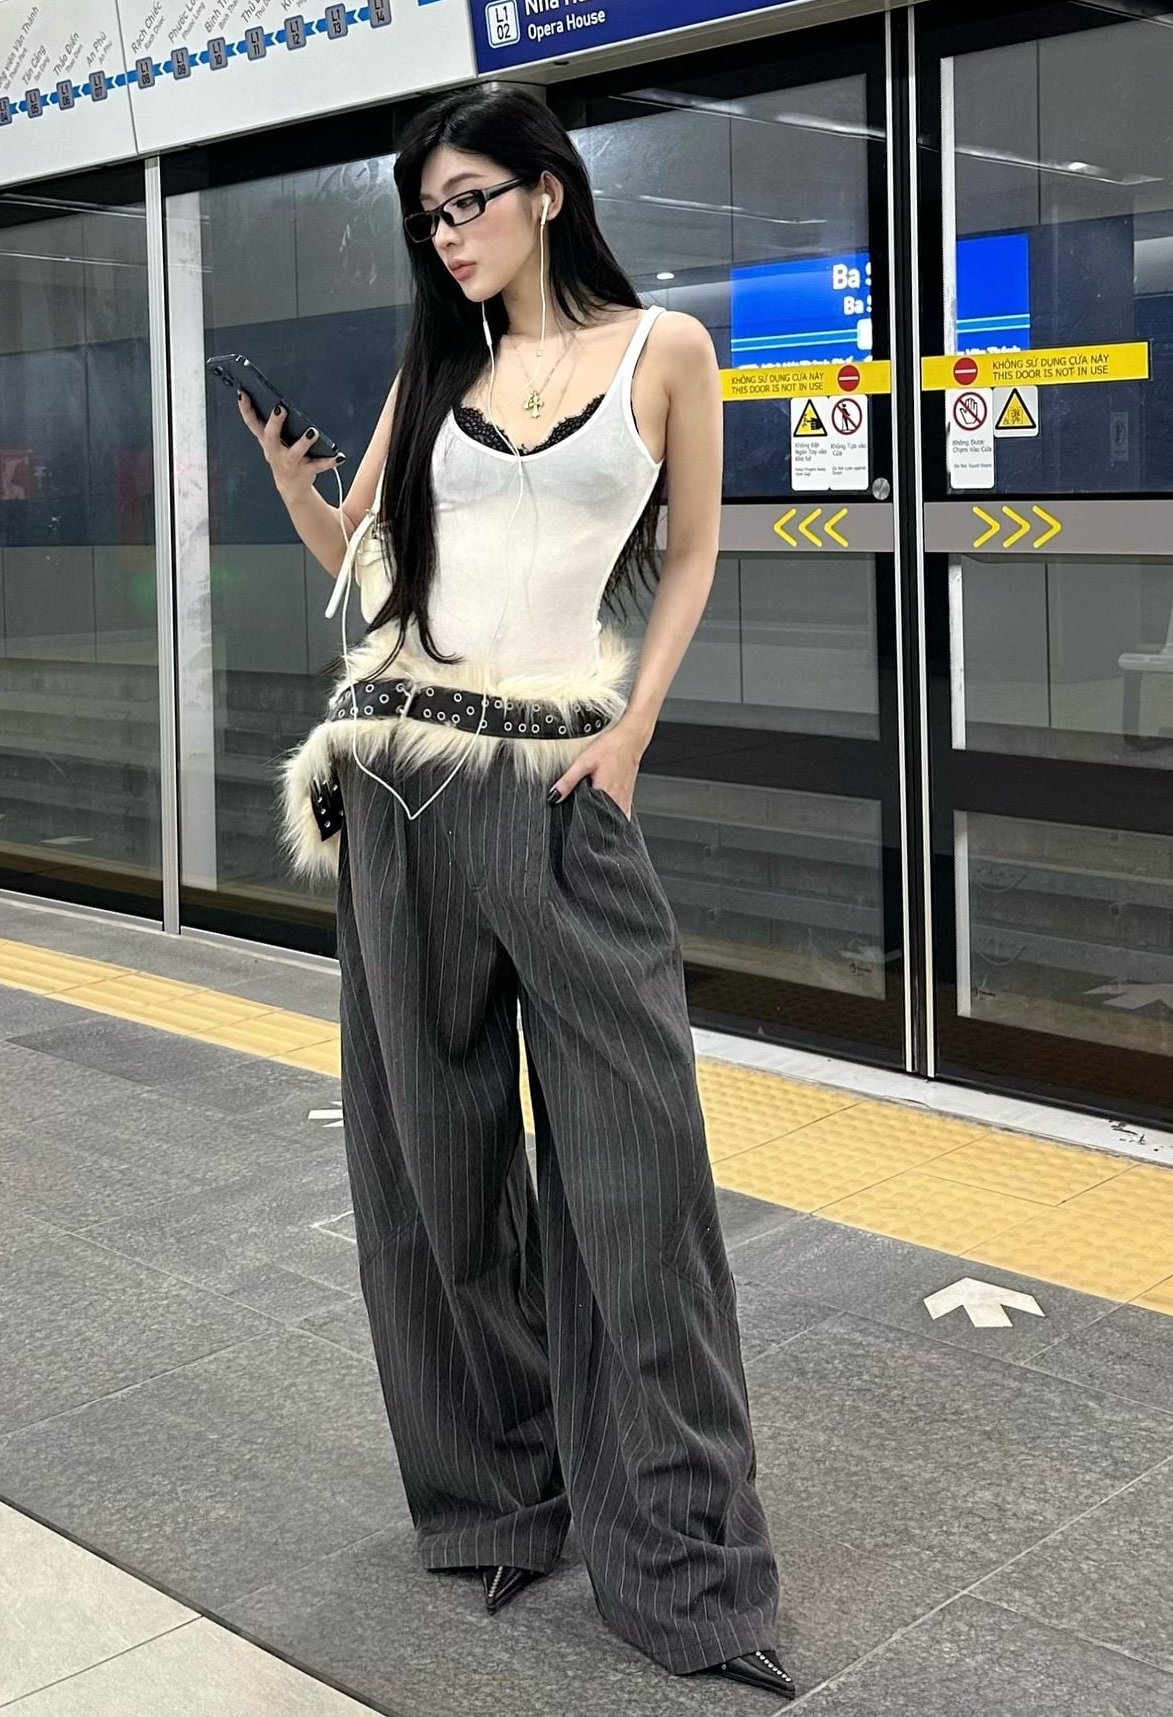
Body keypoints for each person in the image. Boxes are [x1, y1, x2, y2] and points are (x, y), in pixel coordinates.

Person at [239, 85, 790, 1700]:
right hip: (404, 780)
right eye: (429, 216)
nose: (448, 234)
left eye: (469, 200)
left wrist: (634, 730)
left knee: (637, 1176)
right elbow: (361, 555)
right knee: (438, 1162)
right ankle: (494, 1496)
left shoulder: (663, 350)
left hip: (561, 784)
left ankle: (686, 1563)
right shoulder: (435, 367)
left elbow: (695, 549)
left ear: (549, 190)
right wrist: (297, 485)